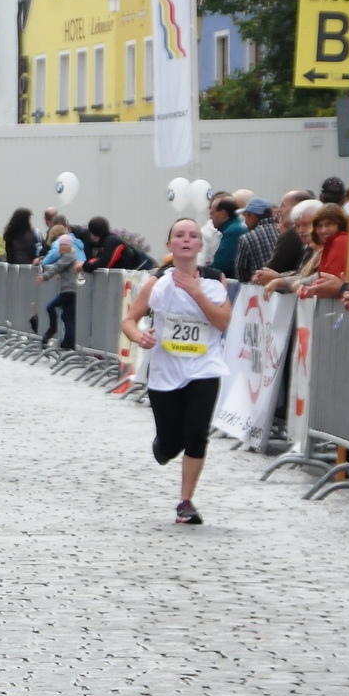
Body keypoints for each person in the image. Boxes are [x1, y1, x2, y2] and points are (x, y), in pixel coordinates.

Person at [120, 218, 231, 524]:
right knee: (170, 444)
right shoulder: (157, 282)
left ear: (200, 245)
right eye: (179, 235)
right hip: (165, 372)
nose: (186, 240)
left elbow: (223, 322)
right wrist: (138, 335)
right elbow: (130, 319)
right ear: (169, 245)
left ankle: (186, 502)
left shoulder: (214, 279)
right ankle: (164, 445)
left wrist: (197, 292)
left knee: (197, 434)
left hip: (204, 367)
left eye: (193, 236)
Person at [295, 203, 349, 300]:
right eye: (319, 226)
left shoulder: (340, 242)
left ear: (340, 225)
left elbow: (330, 281)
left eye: (329, 224)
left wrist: (310, 289)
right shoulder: (334, 243)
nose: (323, 230)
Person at [39, 230, 83, 350]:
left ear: (70, 246)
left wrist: (45, 276)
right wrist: (61, 274)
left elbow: (57, 266)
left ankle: (52, 329)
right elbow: (63, 268)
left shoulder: (69, 256)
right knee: (68, 316)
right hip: (68, 290)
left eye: (65, 244)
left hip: (69, 291)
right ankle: (68, 343)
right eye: (61, 244)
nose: (63, 246)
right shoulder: (68, 257)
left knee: (50, 306)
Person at [80, 216, 152, 273]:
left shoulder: (111, 242)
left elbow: (105, 264)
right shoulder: (107, 241)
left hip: (141, 272)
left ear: (93, 233)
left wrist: (84, 266)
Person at [232, 198, 279, 283]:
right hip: (287, 288)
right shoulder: (285, 232)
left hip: (261, 288)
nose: (245, 221)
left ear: (252, 217)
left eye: (245, 217)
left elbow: (241, 273)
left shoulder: (247, 238)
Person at [208, 197, 246, 278]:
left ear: (223, 214)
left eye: (212, 213)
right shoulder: (240, 225)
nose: (210, 217)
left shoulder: (232, 231)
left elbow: (220, 264)